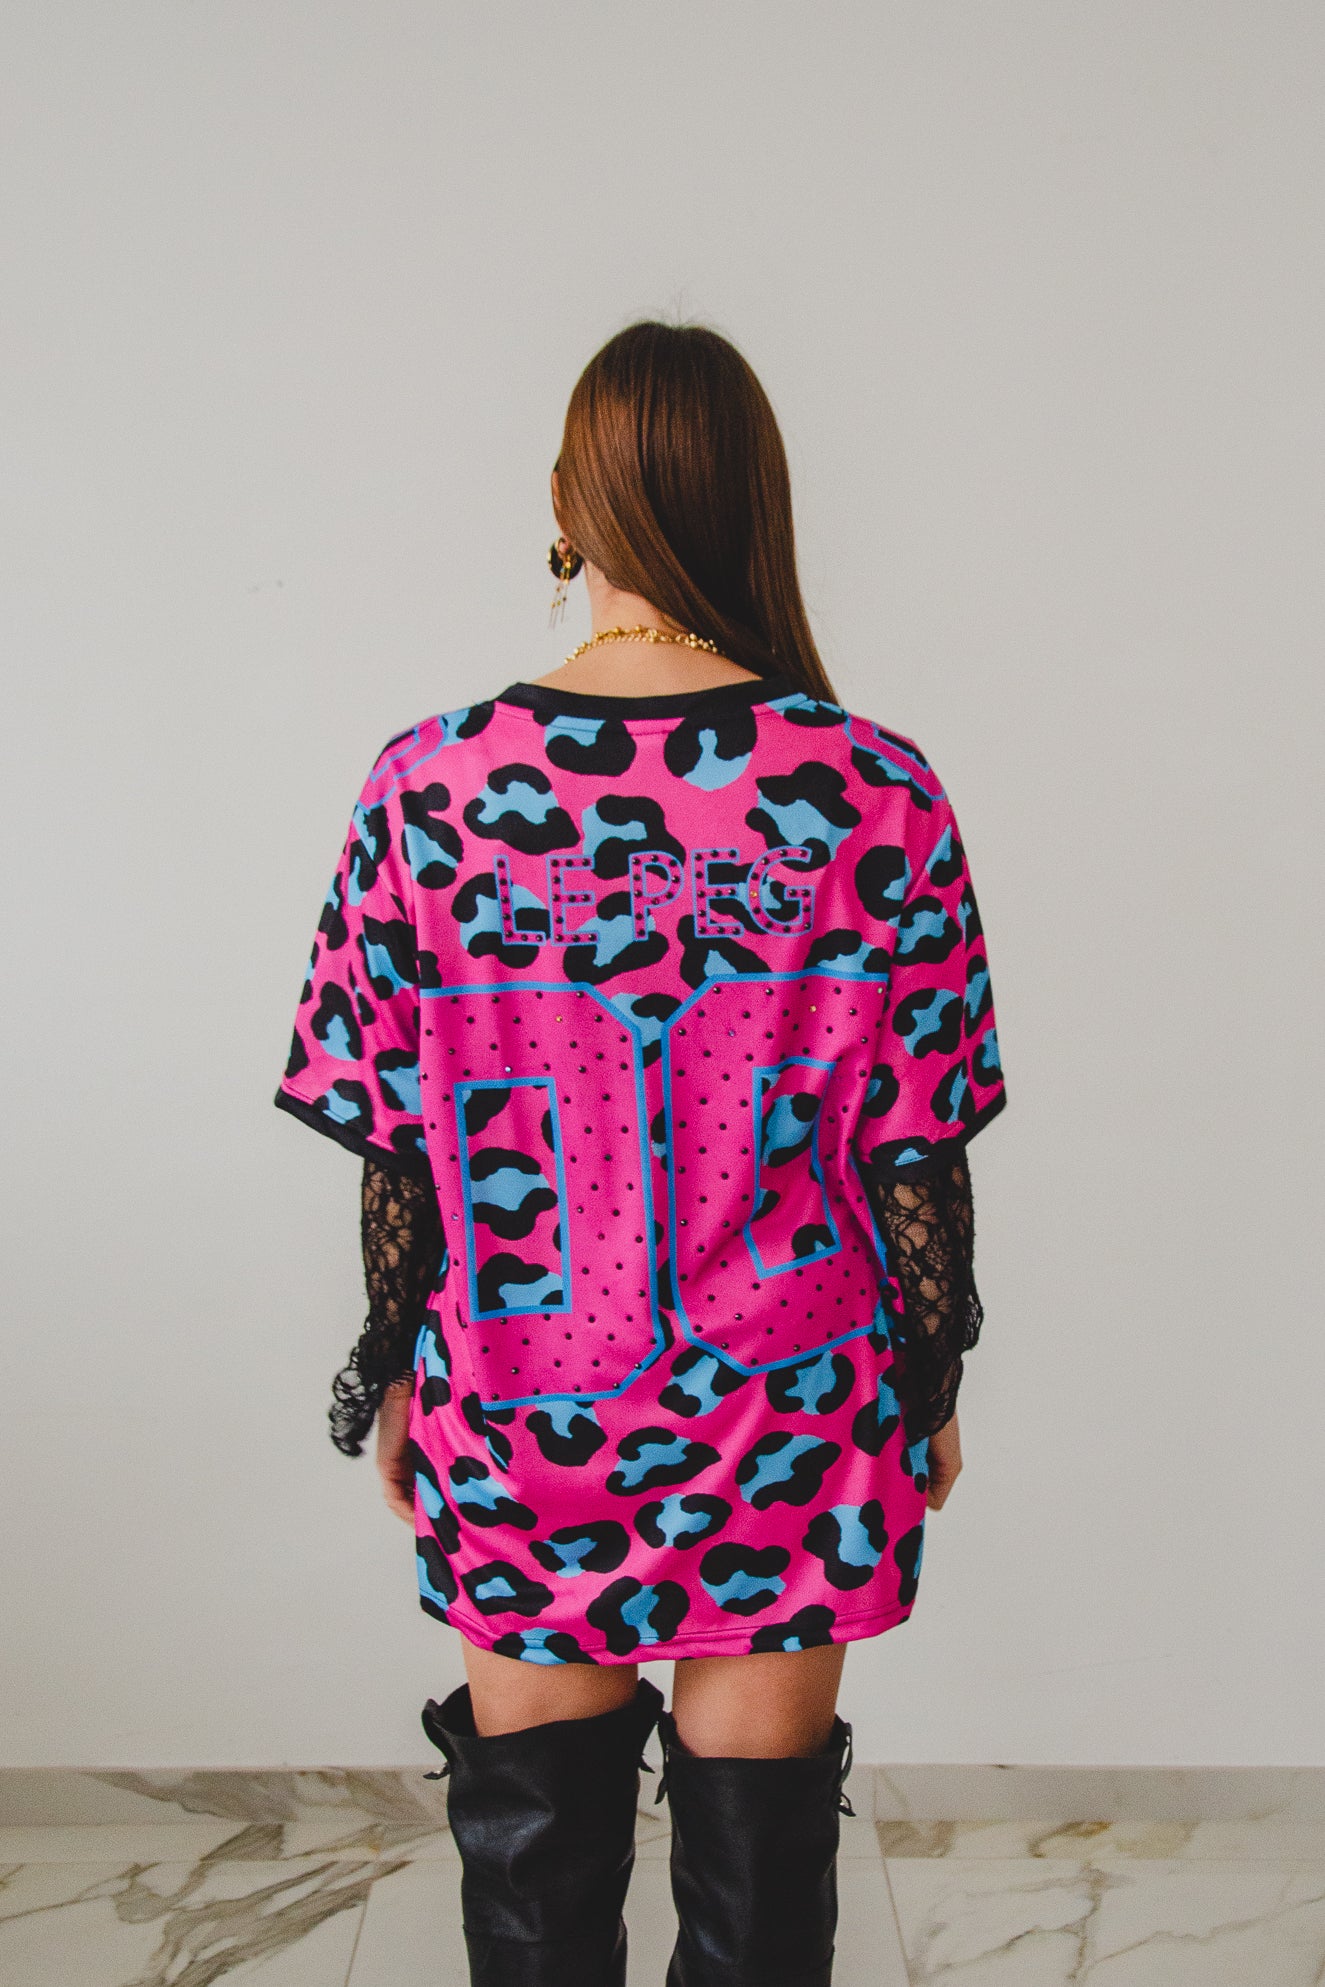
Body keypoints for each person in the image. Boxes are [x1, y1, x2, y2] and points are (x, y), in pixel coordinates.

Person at [275, 320, 1006, 1987]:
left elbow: (397, 1140)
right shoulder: (871, 786)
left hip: (526, 1400)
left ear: (564, 505)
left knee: (535, 1888)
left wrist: (394, 1361)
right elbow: (915, 1144)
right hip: (787, 1404)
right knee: (760, 1901)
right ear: (755, 505)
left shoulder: (427, 787)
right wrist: (929, 1377)